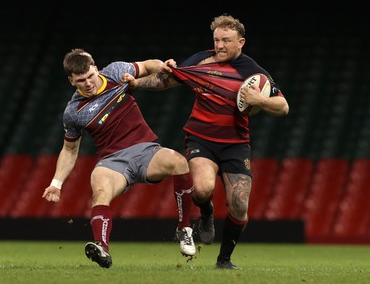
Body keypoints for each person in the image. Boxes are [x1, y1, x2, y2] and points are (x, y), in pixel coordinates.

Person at [123, 14, 289, 269]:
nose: (220, 45)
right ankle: (207, 212)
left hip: (236, 144)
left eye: (226, 40)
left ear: (241, 42)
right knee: (201, 190)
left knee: (239, 206)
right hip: (201, 139)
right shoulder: (200, 60)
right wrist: (137, 83)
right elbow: (166, 79)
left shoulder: (254, 73)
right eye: (216, 40)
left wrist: (261, 101)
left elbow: (283, 106)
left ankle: (224, 260)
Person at [42, 48, 196, 268]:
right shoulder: (74, 111)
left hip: (145, 150)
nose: (87, 83)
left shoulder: (115, 72)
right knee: (100, 188)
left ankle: (184, 229)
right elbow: (69, 150)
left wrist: (162, 65)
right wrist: (56, 183)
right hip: (113, 161)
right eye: (81, 80)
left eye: (90, 76)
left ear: (95, 68)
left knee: (179, 162)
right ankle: (102, 248)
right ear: (71, 81)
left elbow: (148, 64)